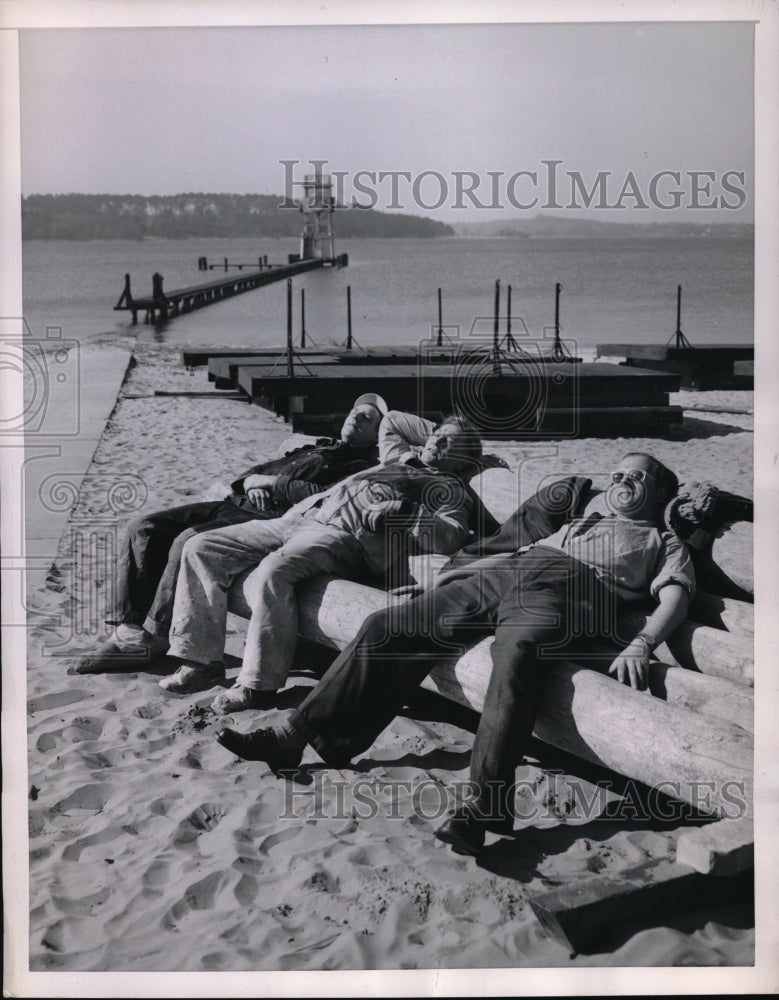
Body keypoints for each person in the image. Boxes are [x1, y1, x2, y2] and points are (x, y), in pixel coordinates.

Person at [215, 452, 696, 857]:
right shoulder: (584, 515)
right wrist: (450, 578)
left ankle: (483, 808)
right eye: (618, 473)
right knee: (389, 625)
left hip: (573, 592)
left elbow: (676, 595)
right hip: (510, 572)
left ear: (660, 494)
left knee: (516, 657)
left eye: (637, 477)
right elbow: (515, 550)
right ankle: (295, 736)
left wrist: (642, 642)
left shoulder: (663, 540)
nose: (621, 481)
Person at [161, 416, 495, 707]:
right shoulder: (400, 456)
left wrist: (406, 511)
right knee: (201, 546)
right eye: (436, 434)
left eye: (449, 443)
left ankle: (257, 686)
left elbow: (451, 537)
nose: (437, 441)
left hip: (345, 536)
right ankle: (201, 660)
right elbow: (392, 420)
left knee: (273, 573)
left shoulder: (449, 487)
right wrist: (438, 433)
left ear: (462, 461)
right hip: (299, 517)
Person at [74, 393, 388, 675]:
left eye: (367, 418)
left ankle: (155, 635)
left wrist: (272, 485)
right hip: (234, 502)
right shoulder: (315, 447)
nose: (356, 417)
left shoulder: (361, 467)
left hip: (268, 518)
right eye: (355, 412)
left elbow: (325, 497)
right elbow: (253, 472)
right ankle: (129, 630)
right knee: (144, 527)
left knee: (187, 541)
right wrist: (250, 483)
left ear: (376, 436)